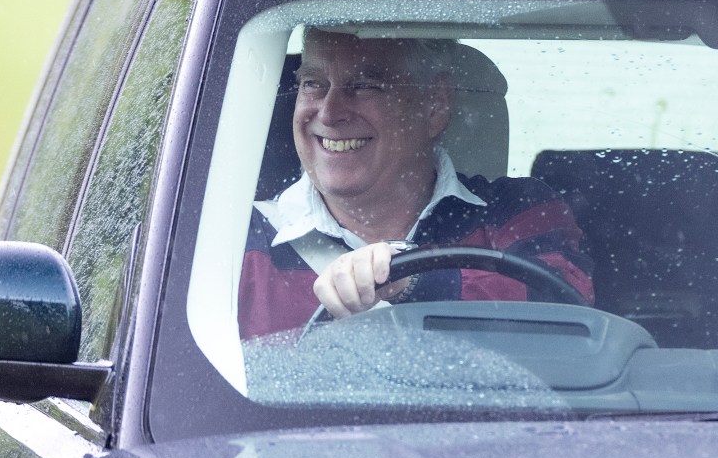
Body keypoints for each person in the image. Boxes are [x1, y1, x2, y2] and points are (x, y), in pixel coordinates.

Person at [238, 28, 595, 340]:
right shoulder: (234, 241)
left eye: (364, 86)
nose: (329, 113)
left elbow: (567, 316)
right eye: (313, 84)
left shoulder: (518, 211)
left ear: (434, 104)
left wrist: (408, 278)